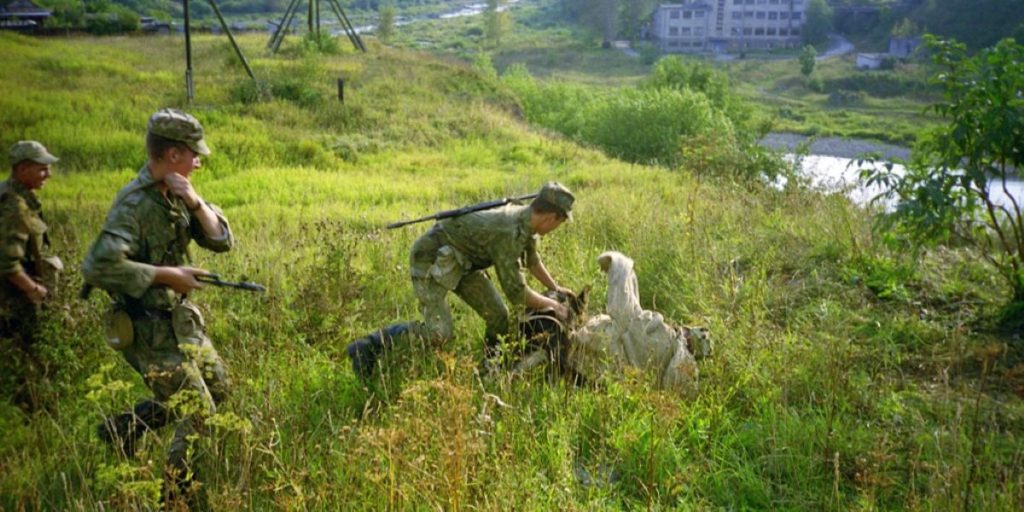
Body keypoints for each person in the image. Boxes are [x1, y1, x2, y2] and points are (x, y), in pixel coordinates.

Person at [82, 108, 233, 507]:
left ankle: (123, 429)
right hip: (145, 326)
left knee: (220, 388)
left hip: (180, 321)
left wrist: (197, 202)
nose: (199, 159)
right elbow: (98, 265)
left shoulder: (177, 193)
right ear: (170, 155)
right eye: (192, 153)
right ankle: (175, 499)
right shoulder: (133, 205)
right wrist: (169, 274)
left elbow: (221, 241)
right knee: (197, 411)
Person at [347, 181, 576, 379]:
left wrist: (555, 289)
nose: (557, 227)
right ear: (550, 217)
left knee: (498, 316)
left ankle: (490, 369)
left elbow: (532, 261)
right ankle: (368, 346)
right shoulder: (508, 231)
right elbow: (517, 294)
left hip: (464, 262)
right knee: (439, 334)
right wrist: (554, 305)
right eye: (561, 222)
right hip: (432, 257)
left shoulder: (526, 221)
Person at [0, 141, 62, 412]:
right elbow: (6, 262)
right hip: (14, 300)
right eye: (42, 169)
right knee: (32, 362)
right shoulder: (15, 206)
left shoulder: (13, 195)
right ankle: (31, 415)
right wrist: (34, 290)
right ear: (23, 169)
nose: (48, 175)